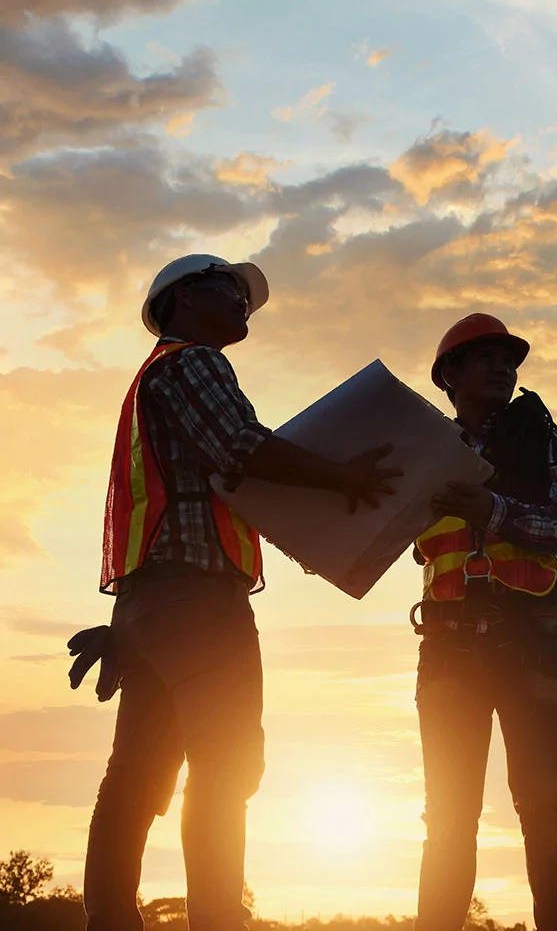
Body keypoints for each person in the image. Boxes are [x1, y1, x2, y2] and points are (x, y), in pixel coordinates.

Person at [74, 253, 400, 931]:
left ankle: (111, 920)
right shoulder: (193, 363)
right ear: (188, 296)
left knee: (135, 779)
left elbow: (220, 493)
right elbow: (244, 448)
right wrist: (343, 478)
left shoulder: (152, 381)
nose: (243, 302)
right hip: (197, 606)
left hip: (150, 606)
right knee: (224, 771)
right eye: (231, 289)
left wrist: (130, 621)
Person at [411, 313, 557, 931]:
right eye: (486, 357)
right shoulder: (420, 452)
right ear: (449, 375)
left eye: (509, 359)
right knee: (450, 819)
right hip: (448, 648)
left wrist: (495, 510)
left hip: (530, 644)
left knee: (545, 811)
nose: (504, 368)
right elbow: (370, 530)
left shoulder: (537, 436)